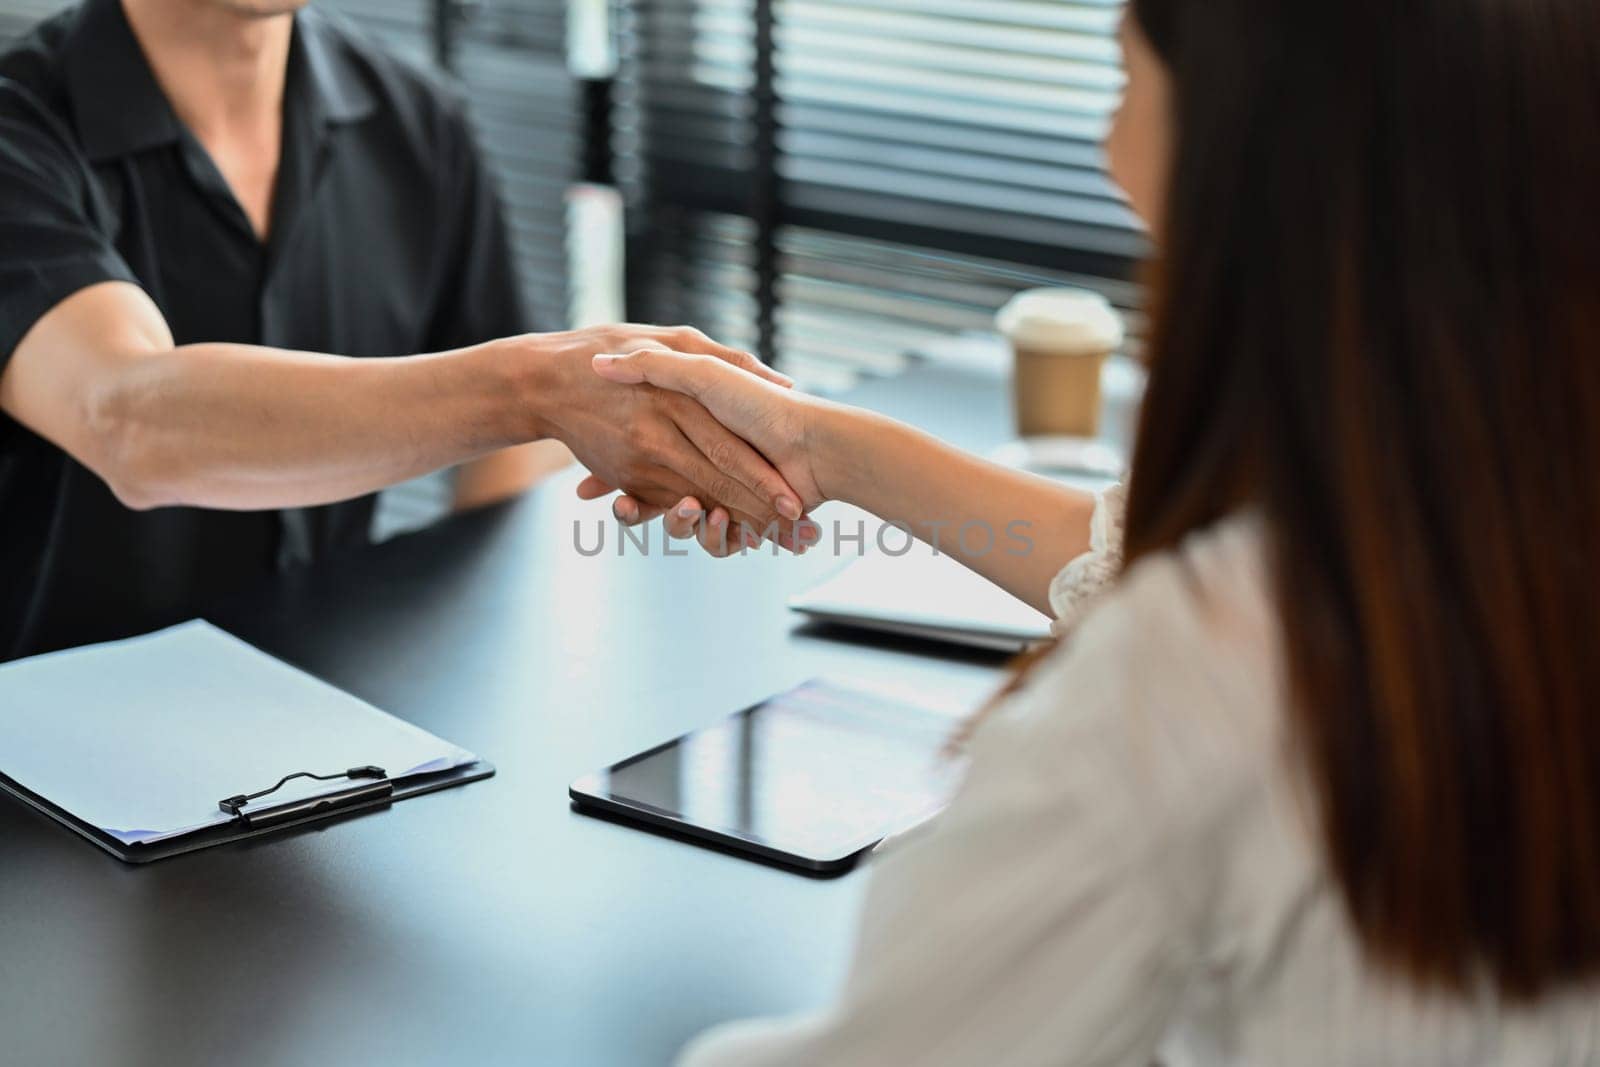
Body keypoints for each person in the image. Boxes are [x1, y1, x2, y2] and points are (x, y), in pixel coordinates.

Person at [594, 0, 1600, 1062]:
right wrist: (819, 448)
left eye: (1122, 82)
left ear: (1248, 159)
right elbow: (1153, 560)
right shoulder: (1503, 533)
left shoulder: (1193, 680)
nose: (1105, 149)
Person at [0, 0, 805, 662]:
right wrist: (535, 387)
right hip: (44, 772)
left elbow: (511, 458)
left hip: (315, 732)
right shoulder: (20, 135)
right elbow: (132, 422)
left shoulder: (414, 118)